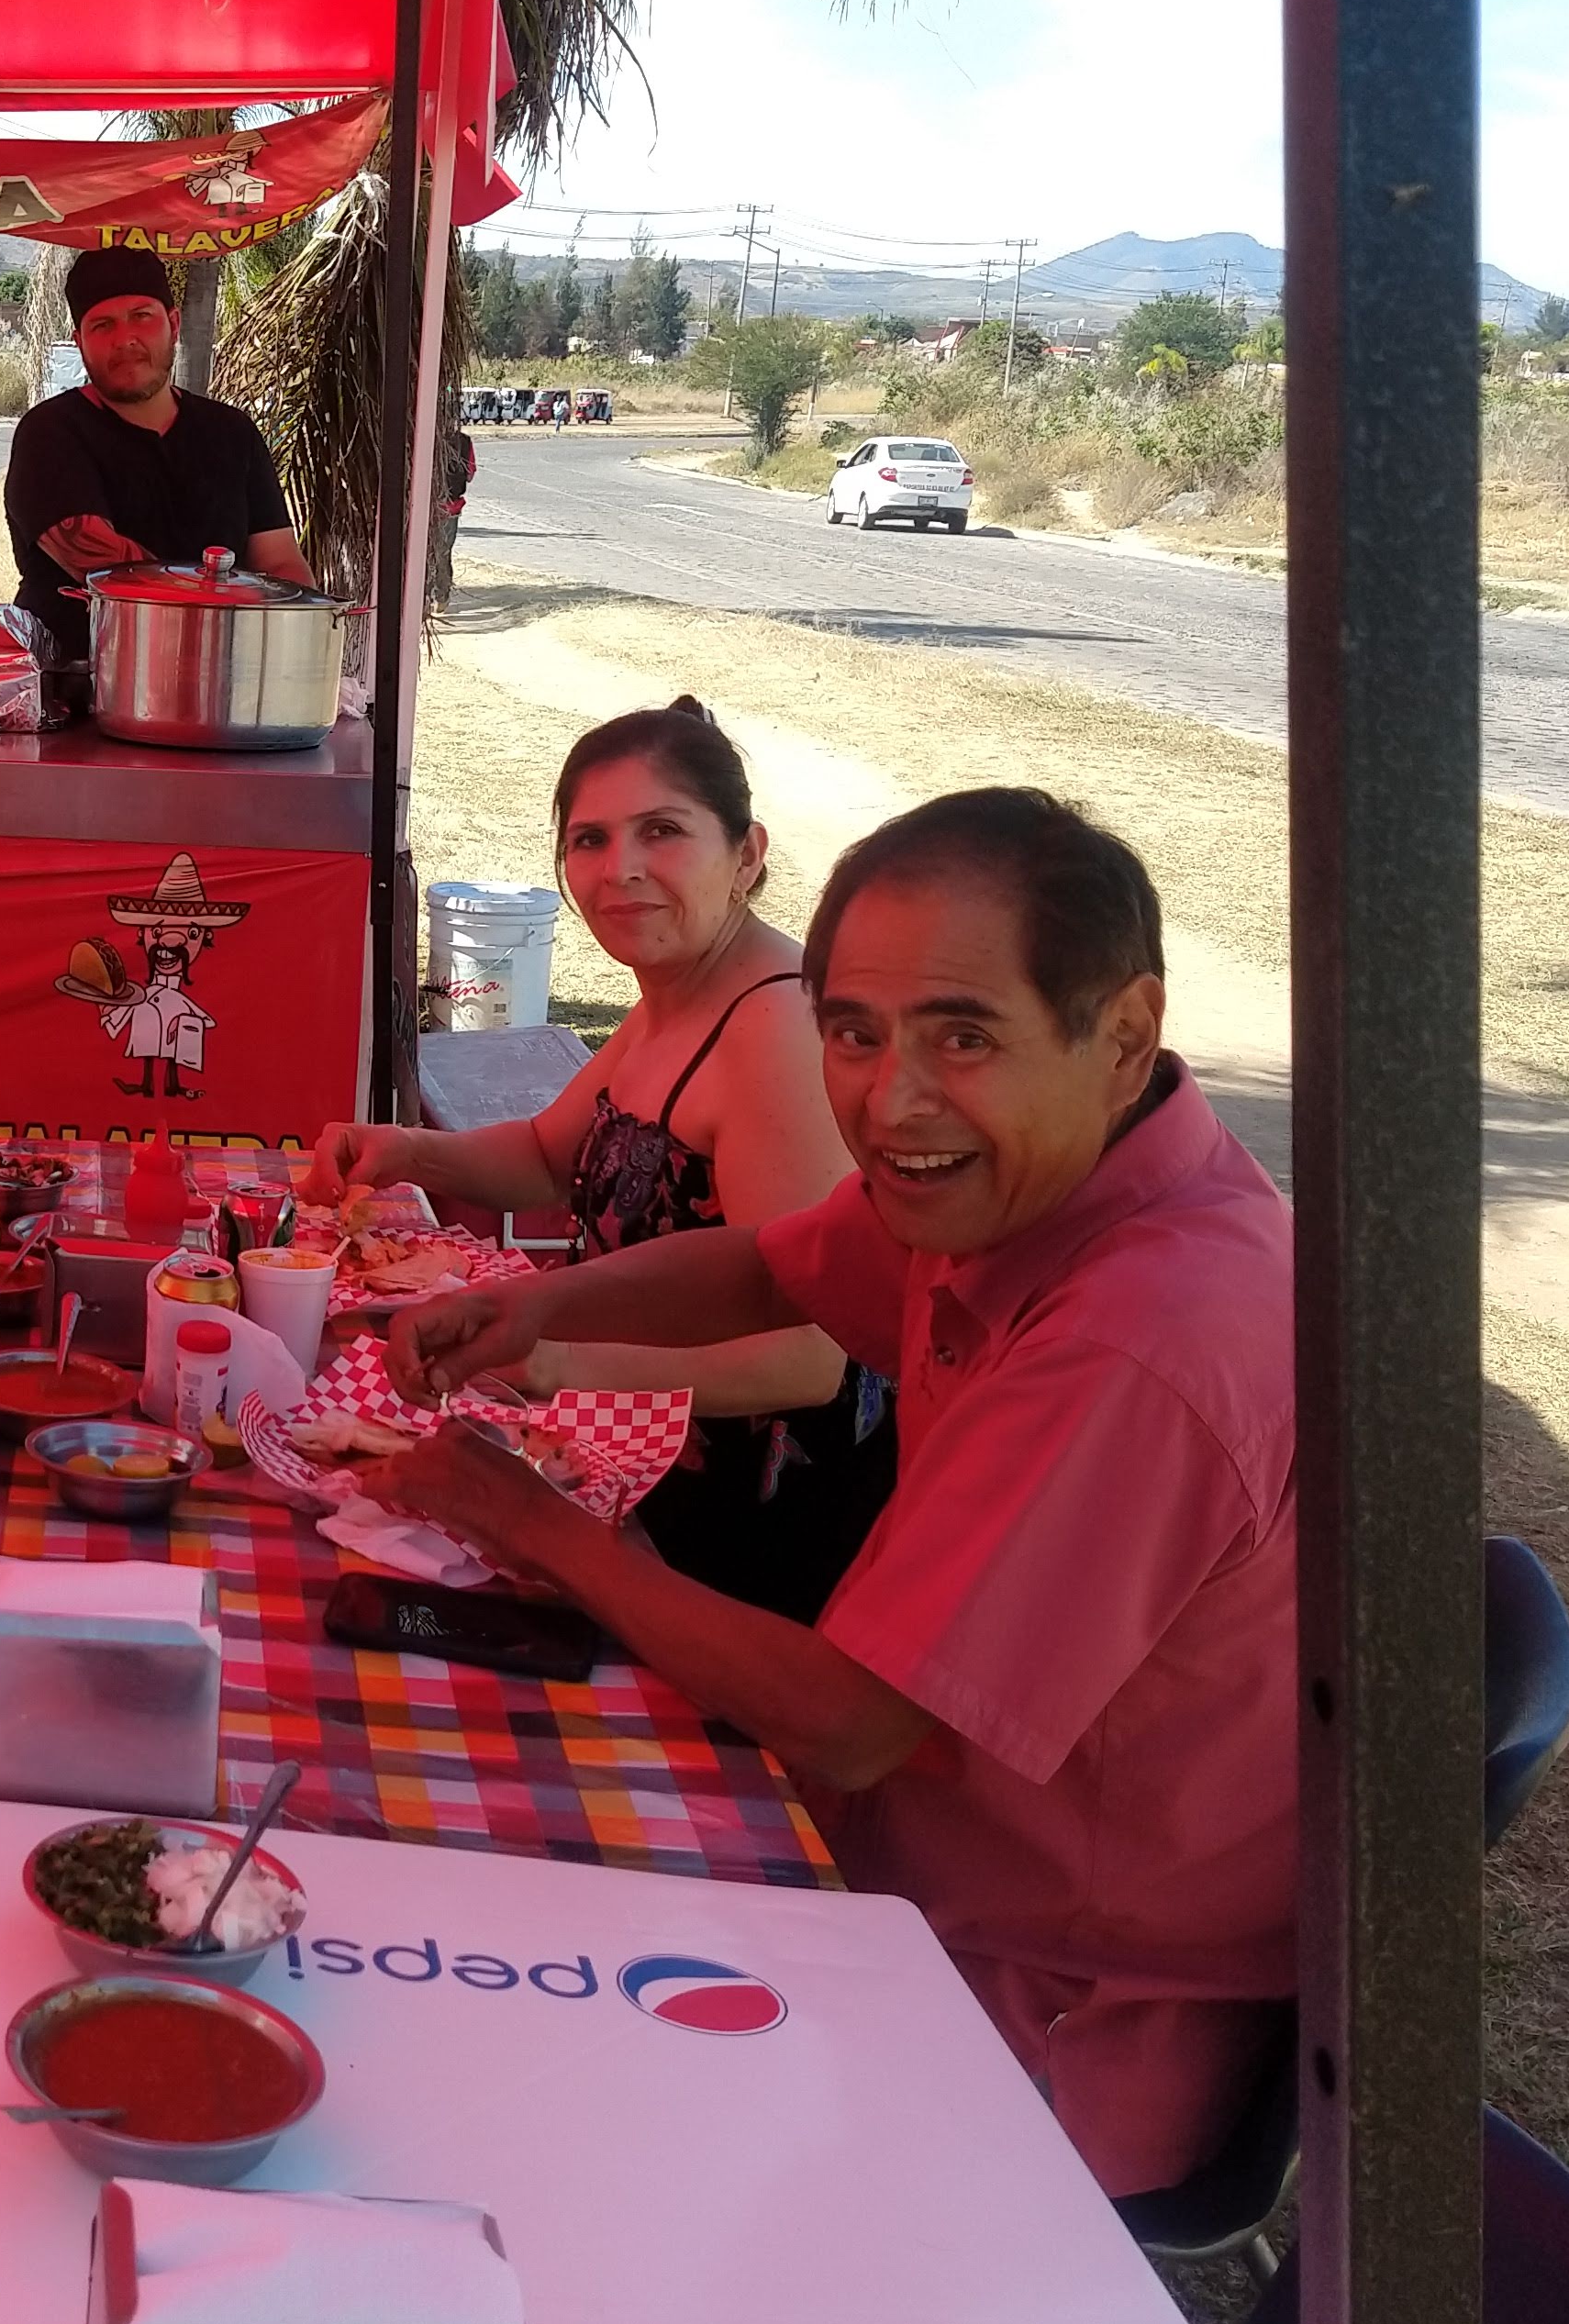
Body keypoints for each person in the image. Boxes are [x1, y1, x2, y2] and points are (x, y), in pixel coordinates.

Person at [383, 788, 1296, 2198]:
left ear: (1122, 1035)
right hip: (892, 1869)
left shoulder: (1146, 1332)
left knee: (440, 2065)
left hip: (1024, 2017)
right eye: (857, 1034)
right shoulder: (1027, 1183)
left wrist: (536, 1526)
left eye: (964, 1036)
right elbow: (771, 1264)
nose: (893, 1099)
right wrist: (534, 1307)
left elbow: (852, 1723)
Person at [305, 699, 893, 1620]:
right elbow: (549, 1158)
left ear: (747, 854)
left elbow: (810, 1357)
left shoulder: (775, 1028)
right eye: (590, 839)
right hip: (618, 1463)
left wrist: (555, 1361)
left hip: (737, 1539)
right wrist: (404, 1152)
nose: (619, 869)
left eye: (661, 831)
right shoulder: (680, 992)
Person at [4, 244, 306, 662]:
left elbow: (282, 567)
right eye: (102, 325)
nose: (124, 339)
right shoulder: (51, 432)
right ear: (80, 342)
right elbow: (111, 573)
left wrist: (297, 650)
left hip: (223, 687)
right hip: (72, 691)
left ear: (174, 324)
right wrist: (225, 605)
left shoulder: (232, 432)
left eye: (141, 317)